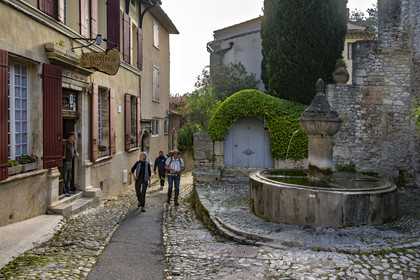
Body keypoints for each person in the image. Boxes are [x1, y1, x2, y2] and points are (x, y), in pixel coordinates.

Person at [63, 132, 79, 197]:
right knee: (65, 177)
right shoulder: (66, 143)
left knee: (69, 177)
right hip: (66, 161)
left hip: (70, 161)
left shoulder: (72, 143)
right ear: (70, 137)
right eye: (74, 137)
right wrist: (74, 155)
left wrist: (76, 153)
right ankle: (64, 191)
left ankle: (68, 190)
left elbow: (74, 151)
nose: (75, 139)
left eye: (76, 138)